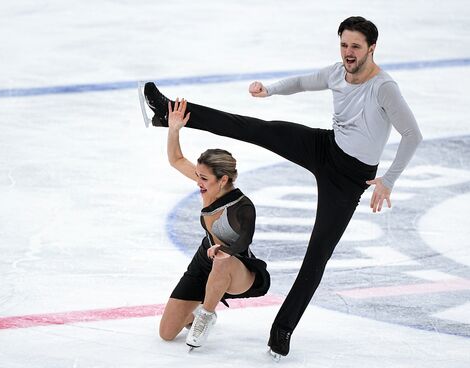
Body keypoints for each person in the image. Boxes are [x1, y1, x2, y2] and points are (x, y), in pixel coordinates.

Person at [141, 16, 423, 359]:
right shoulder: (337, 72)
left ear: (372, 49)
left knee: (317, 255)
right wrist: (270, 89)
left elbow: (412, 135)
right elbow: (305, 81)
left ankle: (282, 330)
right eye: (344, 45)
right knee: (257, 129)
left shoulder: (384, 88)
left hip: (350, 179)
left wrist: (388, 180)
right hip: (326, 148)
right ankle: (166, 111)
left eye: (356, 47)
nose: (348, 53)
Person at [158, 98, 271, 350]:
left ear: (223, 180)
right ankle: (202, 306)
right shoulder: (206, 182)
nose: (198, 182)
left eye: (204, 178)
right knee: (166, 333)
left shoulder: (242, 206)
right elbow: (176, 159)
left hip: (237, 266)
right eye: (198, 175)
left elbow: (244, 241)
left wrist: (225, 251)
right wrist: (174, 129)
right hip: (204, 258)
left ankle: (205, 318)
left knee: (221, 262)